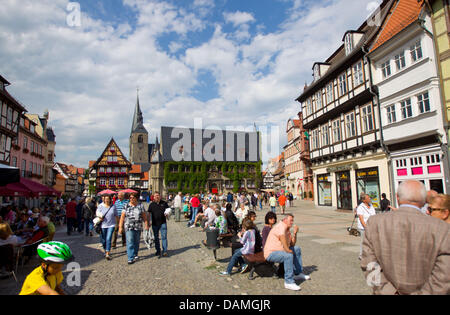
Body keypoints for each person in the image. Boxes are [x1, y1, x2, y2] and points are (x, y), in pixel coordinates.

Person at [361, 180, 450, 295]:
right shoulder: (442, 229)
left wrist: (387, 292)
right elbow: (444, 276)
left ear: (397, 198)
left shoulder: (375, 223)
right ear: (424, 201)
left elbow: (368, 264)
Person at [264, 214, 311, 291]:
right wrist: (287, 249)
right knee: (288, 256)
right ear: (285, 220)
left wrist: (295, 233)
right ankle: (288, 282)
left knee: (297, 249)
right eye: (291, 220)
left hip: (280, 251)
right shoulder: (281, 226)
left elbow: (292, 244)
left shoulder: (287, 229)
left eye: (293, 220)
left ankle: (297, 273)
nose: (292, 222)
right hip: (271, 253)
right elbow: (282, 237)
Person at [119, 192, 149, 264]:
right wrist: (120, 227)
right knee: (130, 241)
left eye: (133, 198)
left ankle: (135, 253)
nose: (131, 199)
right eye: (130, 198)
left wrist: (146, 224)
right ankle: (130, 257)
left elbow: (144, 216)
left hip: (138, 227)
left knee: (136, 241)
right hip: (128, 226)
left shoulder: (140, 206)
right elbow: (122, 217)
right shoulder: (126, 206)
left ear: (136, 198)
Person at [147, 192, 170, 258]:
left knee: (164, 237)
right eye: (155, 196)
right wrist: (148, 222)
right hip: (154, 224)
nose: (157, 197)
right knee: (156, 238)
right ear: (153, 197)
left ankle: (165, 251)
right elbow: (149, 214)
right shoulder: (151, 204)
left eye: (158, 195)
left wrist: (168, 214)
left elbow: (168, 210)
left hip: (163, 223)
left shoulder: (164, 203)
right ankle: (158, 250)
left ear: (160, 196)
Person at [356, 194, 376, 260]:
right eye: (368, 198)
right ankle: (361, 255)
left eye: (369, 197)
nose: (369, 199)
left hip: (372, 226)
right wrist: (366, 227)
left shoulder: (371, 206)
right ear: (364, 200)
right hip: (364, 228)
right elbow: (361, 219)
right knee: (364, 241)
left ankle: (371, 254)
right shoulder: (360, 207)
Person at [97, 195, 117, 261]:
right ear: (104, 200)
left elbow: (116, 215)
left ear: (110, 199)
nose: (107, 200)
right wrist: (100, 217)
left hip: (111, 225)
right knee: (103, 240)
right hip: (103, 225)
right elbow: (97, 213)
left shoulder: (113, 206)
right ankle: (105, 249)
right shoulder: (100, 206)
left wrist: (118, 224)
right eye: (105, 199)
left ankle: (107, 252)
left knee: (108, 238)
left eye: (108, 199)